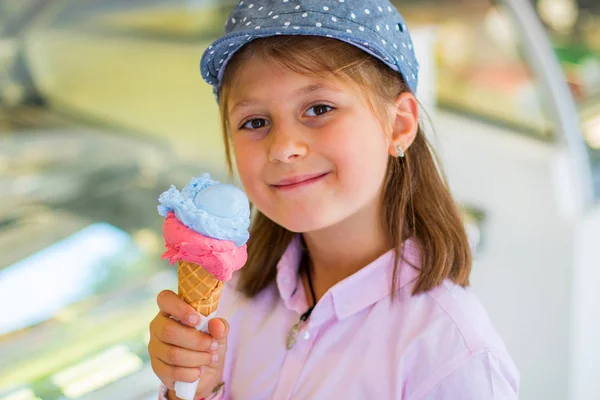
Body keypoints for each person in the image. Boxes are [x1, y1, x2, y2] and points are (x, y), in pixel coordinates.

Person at [148, 0, 520, 399]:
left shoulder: (452, 356)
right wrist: (192, 391)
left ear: (399, 124)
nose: (284, 147)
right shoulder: (234, 292)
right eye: (255, 122)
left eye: (319, 108)